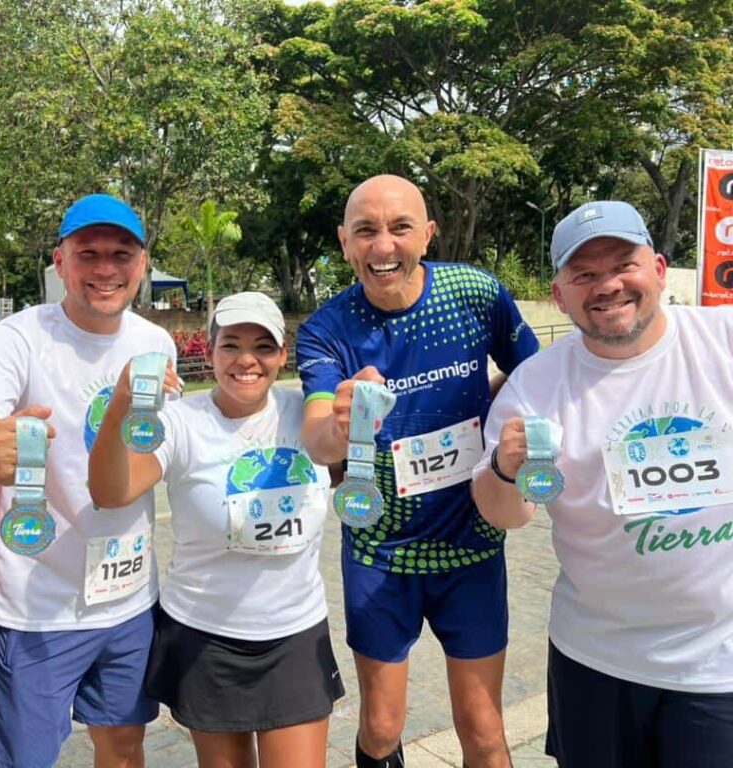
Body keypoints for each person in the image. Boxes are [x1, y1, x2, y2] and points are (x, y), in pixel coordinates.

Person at [472, 200, 733, 768]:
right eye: (584, 274)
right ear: (560, 293)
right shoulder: (535, 385)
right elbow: (504, 515)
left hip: (719, 666)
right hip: (595, 661)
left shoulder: (723, 340)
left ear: (659, 270)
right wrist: (503, 470)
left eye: (623, 264)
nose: (608, 285)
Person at [296, 175, 539, 768]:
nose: (384, 247)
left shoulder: (476, 294)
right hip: (381, 550)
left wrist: (492, 398)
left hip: (472, 545)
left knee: (482, 731)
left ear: (427, 234)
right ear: (344, 242)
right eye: (366, 231)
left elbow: (541, 377)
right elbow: (317, 433)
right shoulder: (325, 331)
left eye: (400, 227)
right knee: (380, 728)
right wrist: (340, 420)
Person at [0, 193, 176, 767]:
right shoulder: (17, 339)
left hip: (128, 597)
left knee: (123, 746)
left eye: (121, 254)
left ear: (141, 264)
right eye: (87, 253)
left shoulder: (155, 342)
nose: (105, 269)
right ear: (59, 261)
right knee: (28, 759)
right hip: (38, 606)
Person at [89, 292, 343, 768]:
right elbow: (109, 491)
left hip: (294, 633)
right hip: (205, 636)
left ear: (282, 355)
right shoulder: (180, 422)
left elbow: (347, 454)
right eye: (231, 345)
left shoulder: (305, 414)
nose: (247, 360)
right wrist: (121, 406)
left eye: (263, 347)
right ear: (208, 354)